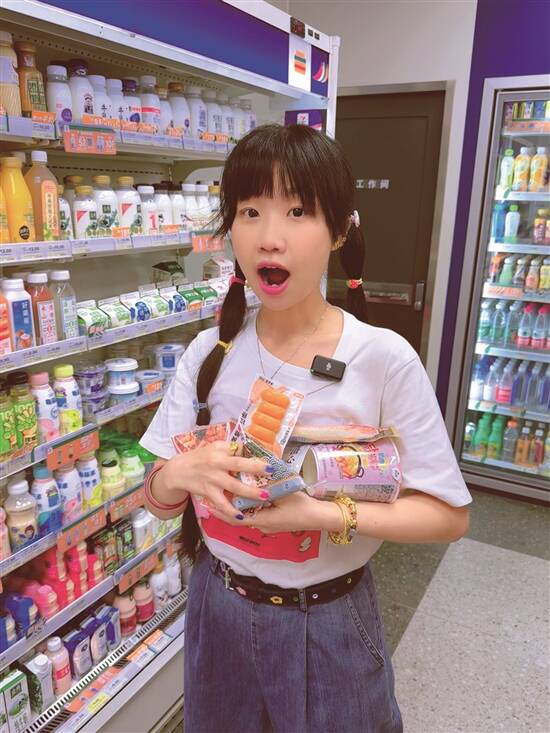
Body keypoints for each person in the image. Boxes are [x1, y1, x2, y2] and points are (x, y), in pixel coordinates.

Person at [141, 124, 472, 733]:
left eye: (298, 211)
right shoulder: (209, 352)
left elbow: (447, 516)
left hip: (328, 620)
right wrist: (178, 475)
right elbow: (158, 500)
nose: (270, 237)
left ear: (340, 231)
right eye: (250, 211)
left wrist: (318, 514)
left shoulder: (382, 357)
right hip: (216, 607)